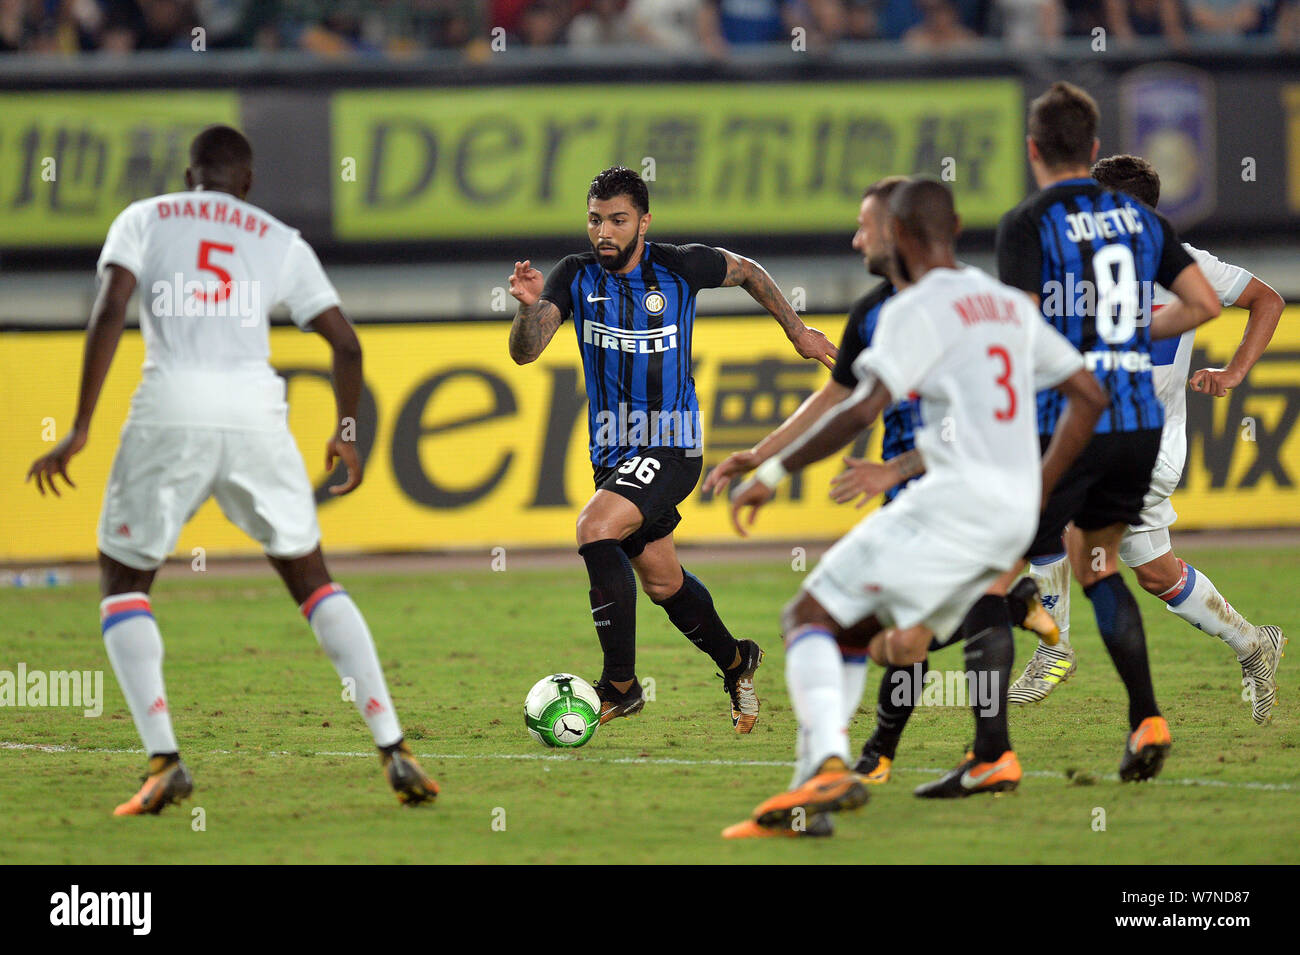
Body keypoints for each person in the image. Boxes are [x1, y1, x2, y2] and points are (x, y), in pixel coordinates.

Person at [25, 125, 438, 814]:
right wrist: (345, 433)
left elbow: (109, 307)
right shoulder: (278, 236)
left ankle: (164, 759)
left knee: (124, 579)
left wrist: (80, 426)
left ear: (190, 176)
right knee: (312, 578)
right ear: (246, 184)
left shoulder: (145, 217)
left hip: (170, 407)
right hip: (255, 415)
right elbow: (347, 343)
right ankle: (394, 744)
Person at [718, 179, 1105, 838]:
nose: (857, 239)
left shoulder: (911, 309)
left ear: (898, 234)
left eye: (867, 227)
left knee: (807, 614)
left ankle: (833, 764)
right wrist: (1038, 486)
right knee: (871, 633)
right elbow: (1088, 394)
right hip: (1008, 508)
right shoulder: (1007, 303)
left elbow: (862, 405)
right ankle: (819, 791)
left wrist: (775, 470)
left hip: (952, 501)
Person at [507, 165, 837, 733]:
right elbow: (525, 352)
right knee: (663, 582)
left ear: (643, 221)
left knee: (594, 528)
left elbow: (749, 271)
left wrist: (797, 331)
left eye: (617, 220)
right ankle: (737, 661)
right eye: (595, 220)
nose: (603, 232)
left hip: (673, 445)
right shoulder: (575, 276)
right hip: (611, 453)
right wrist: (527, 308)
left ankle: (620, 686)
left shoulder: (681, 266)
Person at [994, 82, 1224, 780]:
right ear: (1092, 148)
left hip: (1071, 419)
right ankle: (1146, 716)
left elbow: (1024, 329)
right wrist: (1128, 333)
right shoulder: (1142, 223)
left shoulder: (1029, 221)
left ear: (1033, 149)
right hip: (1137, 422)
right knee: (1099, 567)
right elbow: (1204, 304)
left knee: (989, 565)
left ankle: (991, 751)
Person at [1013, 153, 1287, 722]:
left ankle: (1054, 646)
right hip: (1101, 432)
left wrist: (1234, 373)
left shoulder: (1183, 265)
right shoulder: (1072, 264)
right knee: (1156, 570)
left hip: (1147, 440)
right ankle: (1253, 644)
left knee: (1046, 509)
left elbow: (1267, 298)